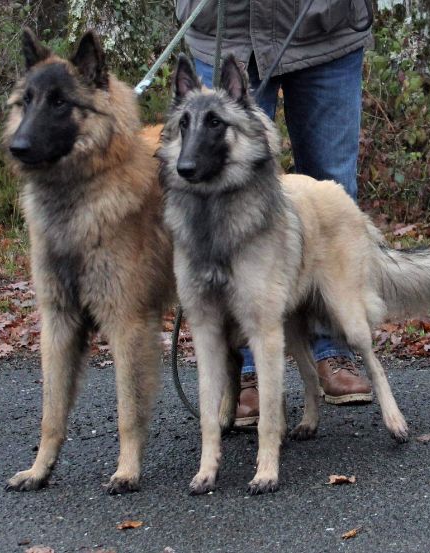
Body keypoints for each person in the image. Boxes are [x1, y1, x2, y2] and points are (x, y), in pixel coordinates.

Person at [177, 0, 375, 424]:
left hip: (325, 24)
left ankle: (333, 347)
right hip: (223, 27)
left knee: (329, 187)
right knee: (222, 204)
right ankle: (248, 366)